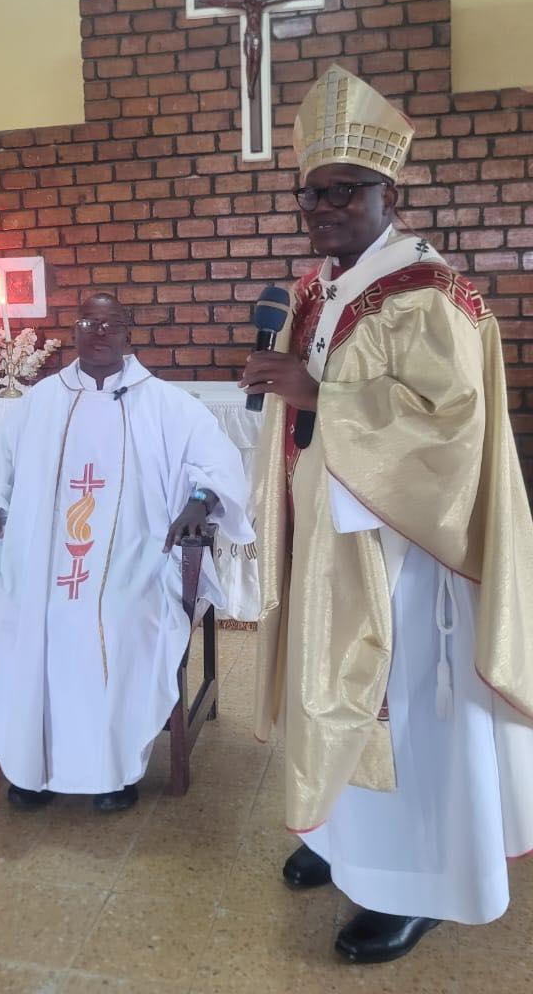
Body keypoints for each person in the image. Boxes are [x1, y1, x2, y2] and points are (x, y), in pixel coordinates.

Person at [241, 64, 533, 963]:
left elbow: (455, 430)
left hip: (404, 553)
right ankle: (341, 838)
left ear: (388, 195)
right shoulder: (322, 287)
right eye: (312, 193)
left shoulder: (429, 295)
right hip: (330, 539)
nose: (324, 208)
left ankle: (422, 881)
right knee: (329, 690)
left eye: (346, 191)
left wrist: (318, 396)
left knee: (399, 708)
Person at [0, 293, 257, 812]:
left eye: (111, 323)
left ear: (129, 333)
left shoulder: (167, 404)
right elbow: (2, 467)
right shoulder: (40, 402)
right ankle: (29, 765)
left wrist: (200, 501)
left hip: (139, 556)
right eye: (89, 322)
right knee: (20, 617)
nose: (100, 332)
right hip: (43, 558)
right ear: (75, 331)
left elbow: (217, 464)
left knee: (118, 617)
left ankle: (112, 768)